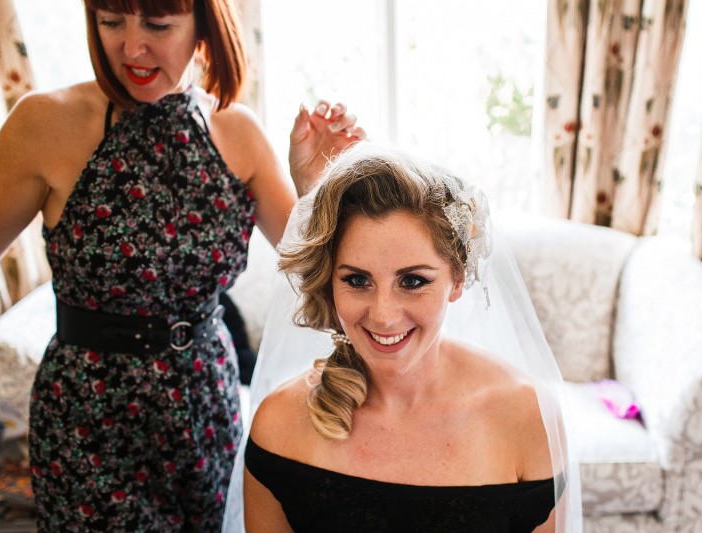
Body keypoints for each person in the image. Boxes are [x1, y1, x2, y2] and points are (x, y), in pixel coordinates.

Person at [0, 0, 365, 530]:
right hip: (89, 415)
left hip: (205, 403)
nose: (131, 47)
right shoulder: (45, 123)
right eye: (111, 20)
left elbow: (323, 273)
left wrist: (315, 183)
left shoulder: (238, 133)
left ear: (204, 25)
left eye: (158, 24)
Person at [242, 144, 581, 532]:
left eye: (413, 281)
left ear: (457, 278)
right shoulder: (280, 424)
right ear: (329, 280)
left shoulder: (527, 417)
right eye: (357, 280)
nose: (383, 315)